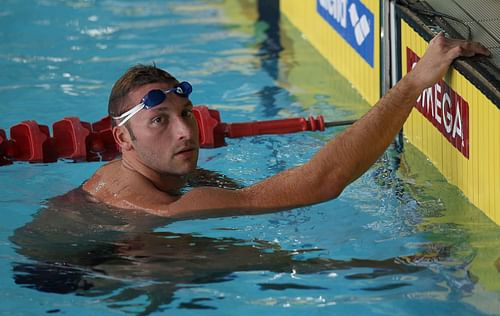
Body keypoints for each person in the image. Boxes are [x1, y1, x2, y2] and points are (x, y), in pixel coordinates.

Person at [83, 33, 490, 219]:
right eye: (159, 121)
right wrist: (413, 84)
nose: (186, 132)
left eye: (185, 113)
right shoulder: (160, 207)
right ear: (123, 139)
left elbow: (268, 193)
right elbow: (320, 184)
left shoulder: (160, 179)